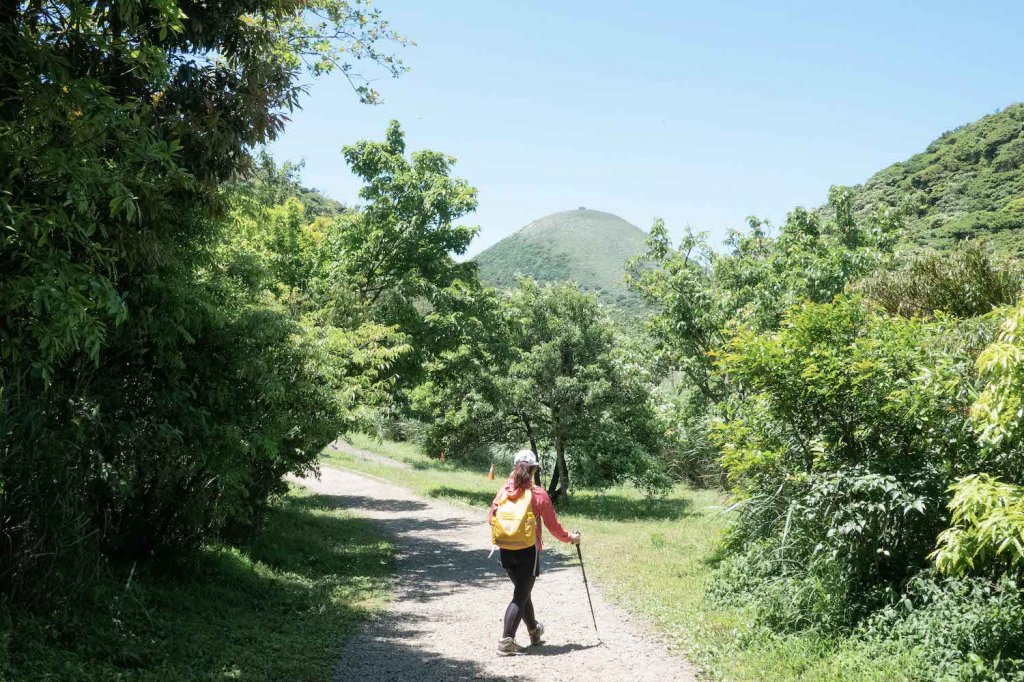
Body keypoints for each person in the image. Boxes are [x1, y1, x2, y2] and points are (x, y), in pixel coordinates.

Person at [488, 449, 581, 655]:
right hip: (528, 552)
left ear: (515, 467)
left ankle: (533, 630)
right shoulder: (537, 494)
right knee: (520, 595)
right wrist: (570, 538)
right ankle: (506, 641)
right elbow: (553, 527)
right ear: (532, 470)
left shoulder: (503, 491)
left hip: (505, 550)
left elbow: (491, 518)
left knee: (523, 592)